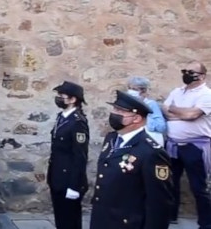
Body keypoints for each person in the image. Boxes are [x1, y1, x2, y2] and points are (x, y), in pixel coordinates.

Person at [90, 90, 173, 229]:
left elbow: (159, 202)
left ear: (136, 118)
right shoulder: (112, 138)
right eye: (114, 108)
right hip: (102, 218)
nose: (114, 113)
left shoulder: (151, 152)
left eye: (120, 111)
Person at [162, 61, 211, 226]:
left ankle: (206, 222)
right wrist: (184, 113)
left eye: (191, 71)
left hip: (195, 147)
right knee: (170, 182)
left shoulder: (206, 95)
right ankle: (171, 215)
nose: (187, 74)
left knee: (199, 187)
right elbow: (165, 109)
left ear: (202, 76)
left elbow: (193, 115)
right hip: (173, 145)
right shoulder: (177, 91)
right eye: (185, 70)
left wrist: (176, 110)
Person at [48, 81, 89, 229]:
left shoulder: (78, 122)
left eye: (62, 96)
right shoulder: (62, 117)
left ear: (73, 100)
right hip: (57, 176)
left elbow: (80, 156)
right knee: (60, 217)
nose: (58, 98)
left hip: (68, 178)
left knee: (70, 220)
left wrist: (74, 185)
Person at [127, 76, 166, 146]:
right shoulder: (128, 104)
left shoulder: (151, 104)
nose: (130, 91)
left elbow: (161, 127)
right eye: (129, 88)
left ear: (143, 91)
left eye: (134, 89)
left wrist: (143, 117)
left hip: (149, 142)